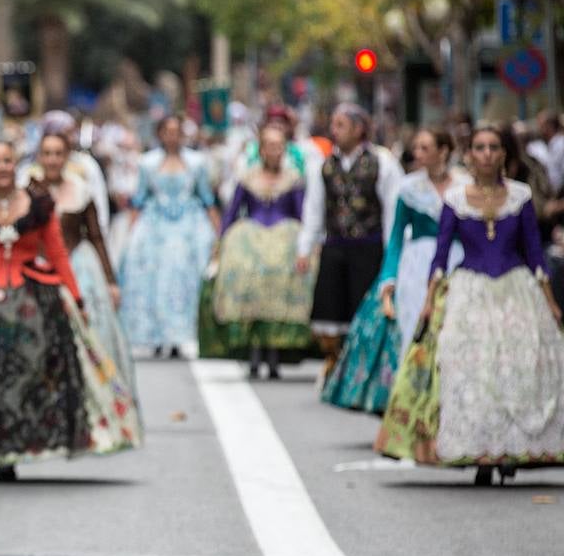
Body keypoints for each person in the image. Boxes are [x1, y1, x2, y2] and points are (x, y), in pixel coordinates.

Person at [376, 124, 564, 484]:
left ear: (503, 155)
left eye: (494, 147)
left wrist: (550, 301)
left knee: (517, 366)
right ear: (470, 155)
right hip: (469, 289)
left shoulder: (520, 197)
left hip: (516, 289)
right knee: (471, 369)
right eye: (480, 148)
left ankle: (512, 449)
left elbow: (534, 252)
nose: (487, 154)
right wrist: (430, 301)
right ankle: (480, 453)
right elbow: (442, 255)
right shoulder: (457, 200)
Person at [0, 138, 139, 474]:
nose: (2, 168)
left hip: (35, 291)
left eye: (7, 161)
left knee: (44, 353)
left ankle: (28, 439)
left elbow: (58, 253)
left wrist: (75, 298)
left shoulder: (40, 205)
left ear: (16, 164)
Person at [323, 128, 465, 413]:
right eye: (417, 148)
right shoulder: (410, 188)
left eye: (425, 148)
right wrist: (389, 276)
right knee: (412, 329)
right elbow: (398, 236)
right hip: (416, 267)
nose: (418, 154)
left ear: (444, 151)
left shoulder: (465, 186)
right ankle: (412, 404)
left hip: (458, 262)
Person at [198, 123, 313, 378]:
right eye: (269, 146)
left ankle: (274, 351)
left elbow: (302, 213)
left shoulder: (292, 179)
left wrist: (308, 243)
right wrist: (221, 243)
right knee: (250, 283)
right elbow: (232, 212)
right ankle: (252, 350)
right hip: (251, 236)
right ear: (261, 150)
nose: (274, 151)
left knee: (279, 286)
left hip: (285, 237)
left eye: (279, 146)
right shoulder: (248, 177)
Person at [298, 103, 403, 379]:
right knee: (331, 312)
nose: (334, 131)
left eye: (341, 125)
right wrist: (305, 247)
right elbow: (315, 209)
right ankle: (336, 365)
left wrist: (392, 252)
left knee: (364, 309)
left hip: (368, 248)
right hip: (335, 246)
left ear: (359, 129)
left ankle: (364, 370)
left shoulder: (381, 161)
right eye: (333, 125)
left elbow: (393, 210)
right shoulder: (325, 165)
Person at [34, 130, 139, 397]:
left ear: (67, 157)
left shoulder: (81, 191)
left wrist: (111, 281)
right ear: (40, 157)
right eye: (47, 154)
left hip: (80, 268)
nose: (53, 160)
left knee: (91, 335)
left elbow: (96, 237)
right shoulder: (29, 190)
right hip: (41, 269)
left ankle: (93, 393)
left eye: (58, 154)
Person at [118, 115, 220, 357]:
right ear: (160, 134)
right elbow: (139, 198)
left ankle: (180, 335)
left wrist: (218, 233)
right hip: (155, 228)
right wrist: (131, 235)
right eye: (168, 131)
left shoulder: (196, 162)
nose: (172, 136)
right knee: (154, 280)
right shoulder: (148, 163)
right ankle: (157, 334)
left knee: (185, 280)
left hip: (189, 228)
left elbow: (207, 199)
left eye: (177, 131)